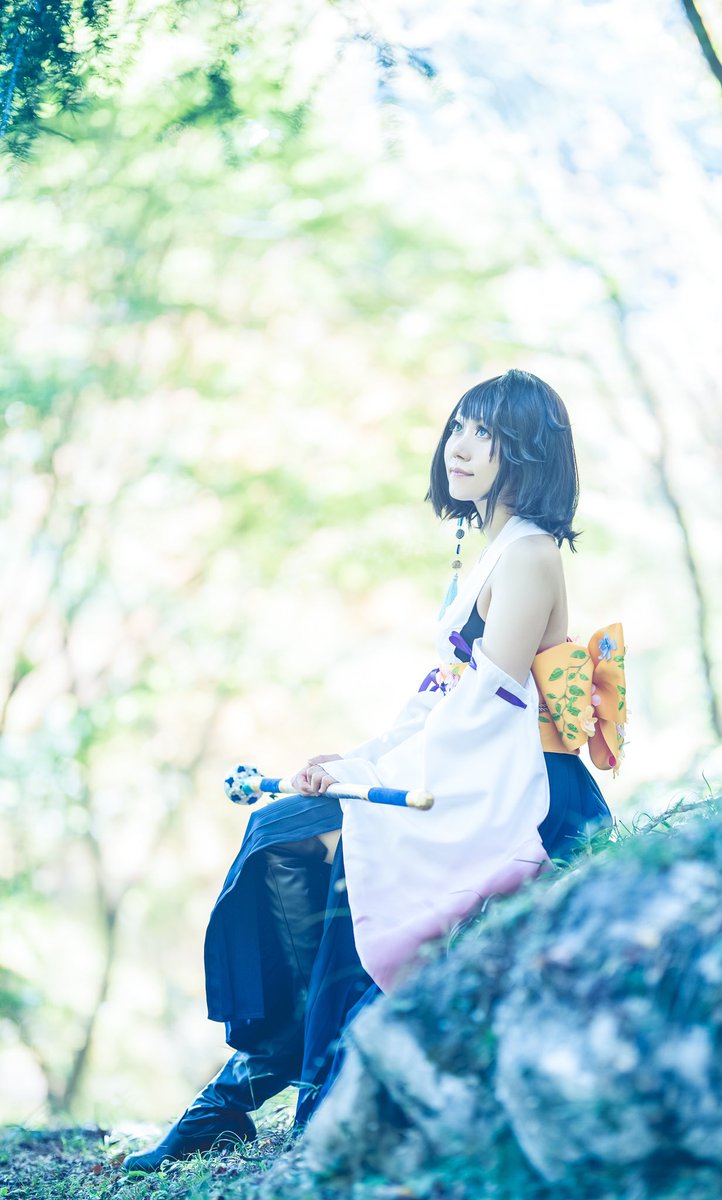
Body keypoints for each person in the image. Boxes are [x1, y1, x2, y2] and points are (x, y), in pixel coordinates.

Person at [124, 370, 625, 1172]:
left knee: (337, 855)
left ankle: (268, 1093)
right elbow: (438, 699)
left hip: (520, 788)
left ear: (528, 452)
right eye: (459, 427)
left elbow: (484, 711)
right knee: (277, 831)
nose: (461, 445)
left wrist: (368, 788)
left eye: (487, 434)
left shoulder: (530, 554)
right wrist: (354, 765)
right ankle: (243, 1088)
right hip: (464, 767)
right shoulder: (488, 551)